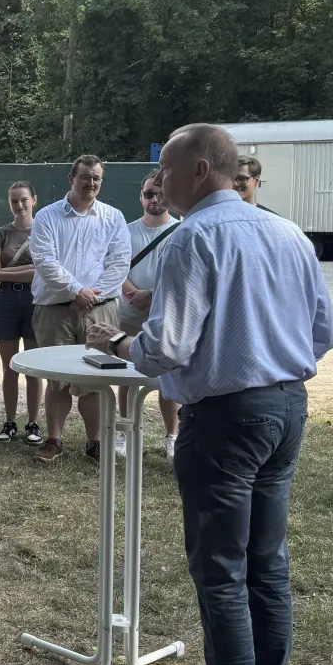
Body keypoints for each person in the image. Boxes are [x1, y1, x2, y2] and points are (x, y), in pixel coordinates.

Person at [85, 123, 333, 665]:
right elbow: (325, 329)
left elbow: (166, 348)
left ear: (200, 170)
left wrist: (116, 344)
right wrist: (271, 357)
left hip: (225, 419)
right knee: (267, 568)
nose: (161, 184)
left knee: (223, 574)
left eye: (167, 171)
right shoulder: (286, 232)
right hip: (285, 409)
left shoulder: (194, 238)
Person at [28, 154, 131, 462]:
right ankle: (55, 441)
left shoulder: (113, 217)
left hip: (100, 309)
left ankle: (95, 443)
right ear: (72, 178)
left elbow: (119, 262)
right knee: (56, 378)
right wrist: (76, 290)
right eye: (85, 176)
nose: (91, 182)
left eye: (96, 178)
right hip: (55, 308)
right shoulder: (46, 217)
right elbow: (45, 260)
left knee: (95, 380)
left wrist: (91, 295)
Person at [118, 170, 182, 459]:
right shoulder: (126, 231)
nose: (155, 200)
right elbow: (116, 269)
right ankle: (125, 430)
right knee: (126, 373)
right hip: (129, 312)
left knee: (168, 375)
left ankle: (173, 435)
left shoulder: (184, 231)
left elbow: (184, 276)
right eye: (148, 194)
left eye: (160, 194)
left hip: (166, 314)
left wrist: (153, 296)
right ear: (140, 197)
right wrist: (135, 295)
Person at [0, 181, 44, 445]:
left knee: (33, 367)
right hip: (7, 300)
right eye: (14, 201)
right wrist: (16, 272)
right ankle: (10, 421)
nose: (19, 205)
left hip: (36, 300)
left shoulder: (44, 231)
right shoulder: (1, 234)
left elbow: (41, 271)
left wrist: (4, 274)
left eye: (23, 200)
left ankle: (33, 424)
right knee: (9, 367)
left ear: (34, 200)